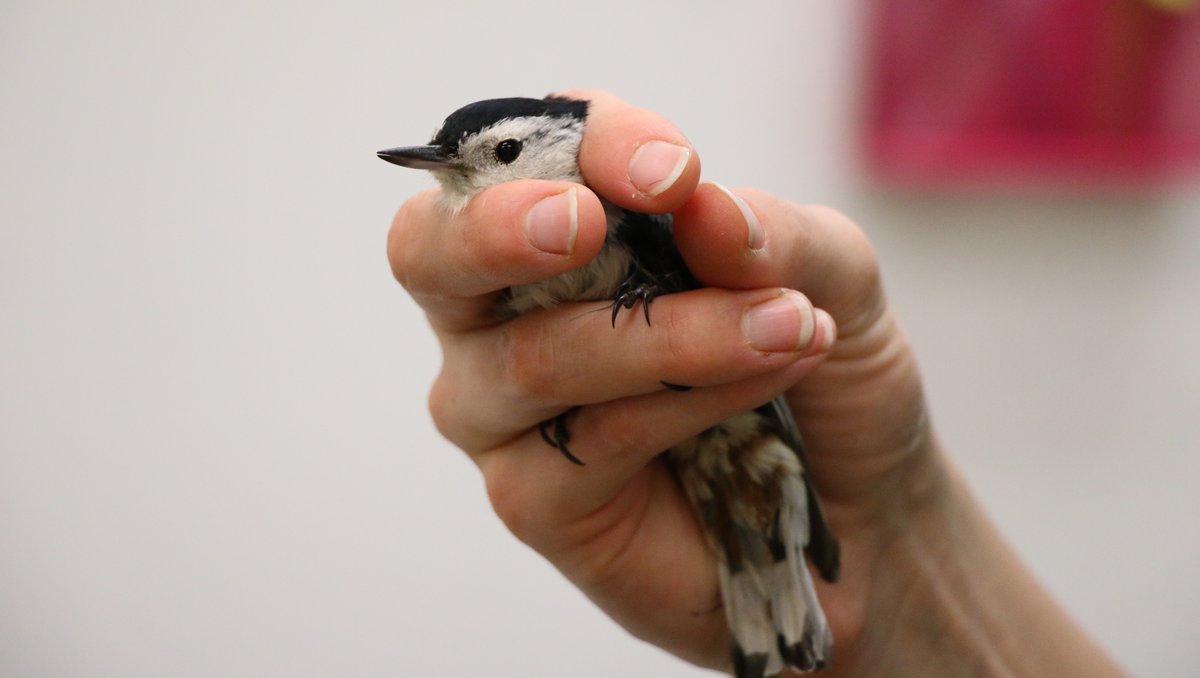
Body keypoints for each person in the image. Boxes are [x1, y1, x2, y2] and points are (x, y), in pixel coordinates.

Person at [385, 89, 1124, 677]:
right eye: (460, 161)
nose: (468, 174)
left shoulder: (627, 213)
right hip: (681, 457)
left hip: (746, 430)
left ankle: (785, 600)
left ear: (559, 151)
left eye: (503, 154)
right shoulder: (514, 259)